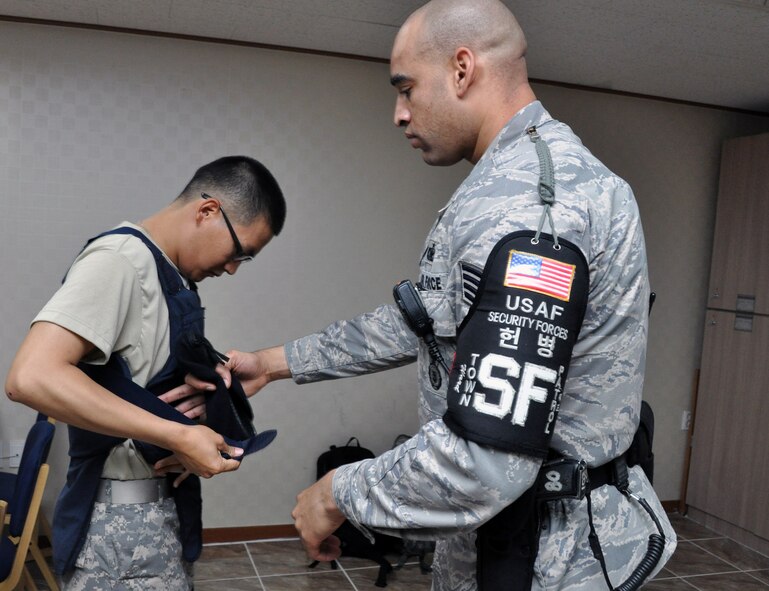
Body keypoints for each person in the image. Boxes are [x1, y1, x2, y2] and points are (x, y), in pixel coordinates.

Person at [183, 1, 678, 589]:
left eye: (406, 89)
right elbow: (421, 317)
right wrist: (272, 363)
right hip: (505, 539)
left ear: (462, 68)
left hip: (543, 558)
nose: (398, 114)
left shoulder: (529, 207)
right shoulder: (508, 183)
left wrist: (339, 492)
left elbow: (484, 458)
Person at [4, 156, 286, 590]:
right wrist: (177, 435)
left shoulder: (170, 274)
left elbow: (137, 374)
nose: (231, 269)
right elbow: (30, 376)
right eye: (238, 253)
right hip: (115, 532)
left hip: (161, 516)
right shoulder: (120, 261)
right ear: (208, 211)